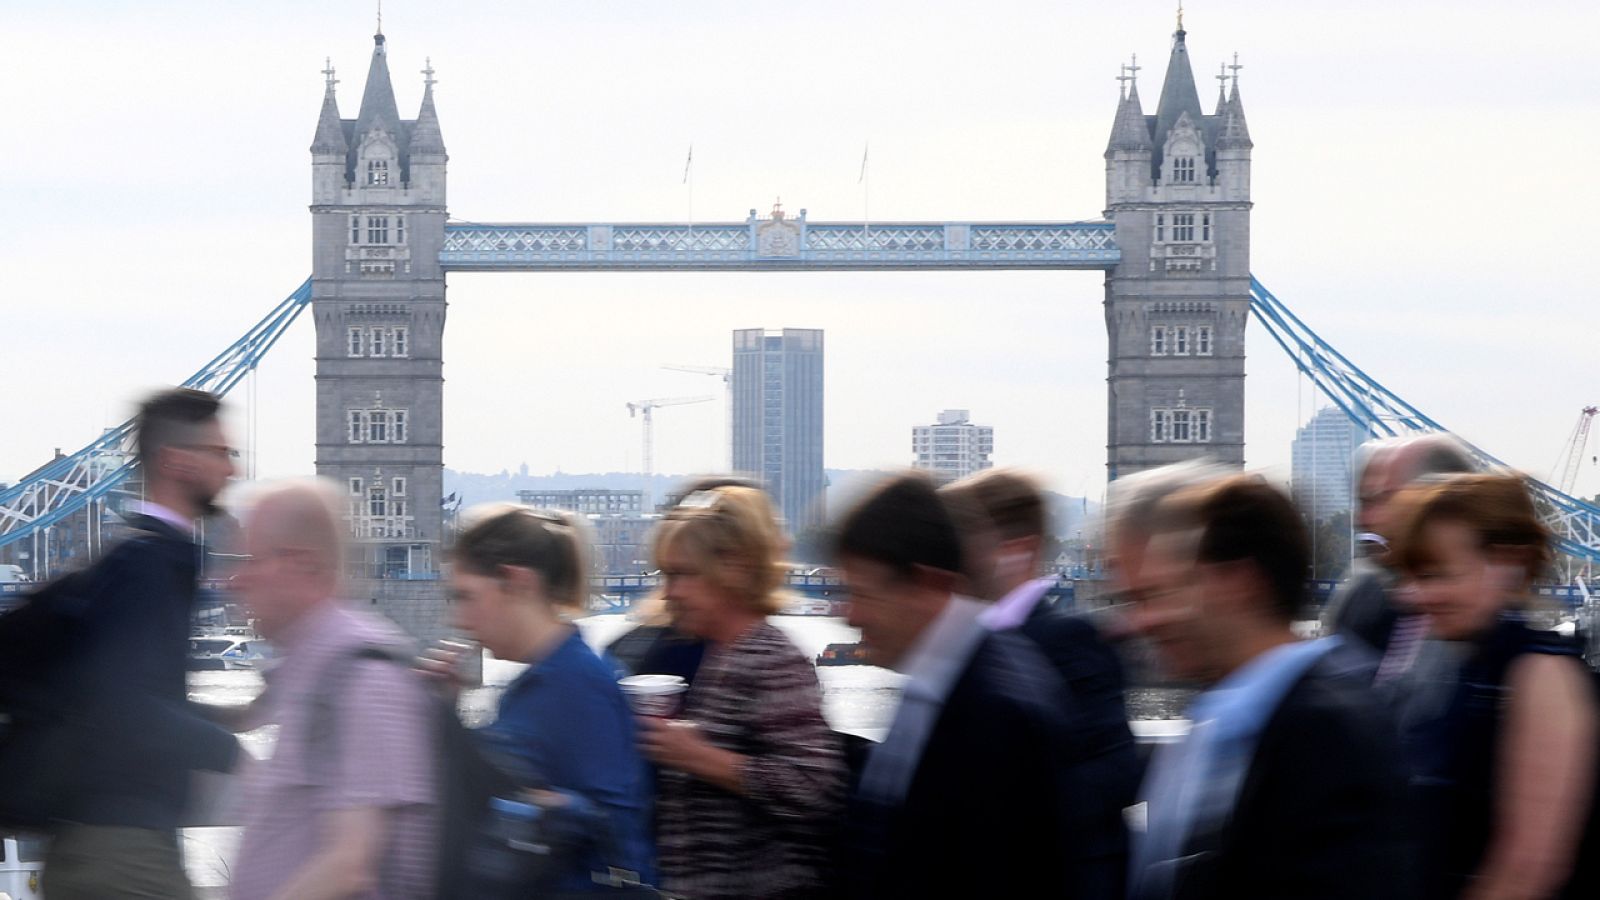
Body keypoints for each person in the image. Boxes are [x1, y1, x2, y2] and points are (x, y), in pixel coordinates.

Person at [1126, 473, 1414, 900]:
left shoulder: (1329, 731)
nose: (1145, 620)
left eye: (1168, 592)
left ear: (1237, 583)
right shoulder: (1221, 723)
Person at [834, 473, 1080, 899]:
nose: (849, 615)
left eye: (864, 594)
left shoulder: (998, 715)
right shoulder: (940, 685)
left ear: (928, 584)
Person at [42, 387, 243, 900]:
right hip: (122, 853)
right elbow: (124, 705)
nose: (232, 470)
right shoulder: (152, 565)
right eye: (220, 453)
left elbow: (134, 690)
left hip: (109, 842)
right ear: (176, 462)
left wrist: (234, 716)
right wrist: (234, 753)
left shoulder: (136, 555)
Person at [226, 480, 439, 900]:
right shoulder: (312, 665)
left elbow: (350, 865)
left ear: (301, 564)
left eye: (252, 559)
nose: (235, 579)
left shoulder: (361, 673)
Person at [1392, 473, 1598, 899]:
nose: (1414, 595)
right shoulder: (1470, 668)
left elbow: (1525, 871)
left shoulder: (1541, 677)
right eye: (1412, 575)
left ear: (1507, 564)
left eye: (1436, 574)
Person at [941, 468, 1138, 897]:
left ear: (1018, 550)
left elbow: (1119, 769)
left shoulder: (1070, 638)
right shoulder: (966, 644)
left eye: (964, 543)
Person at [641, 486, 844, 900]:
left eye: (681, 574)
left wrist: (702, 758)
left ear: (731, 568)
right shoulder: (722, 655)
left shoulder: (770, 658)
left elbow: (813, 785)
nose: (669, 592)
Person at [449, 504, 655, 893]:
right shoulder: (535, 683)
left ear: (515, 582)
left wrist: (548, 809)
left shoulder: (579, 685)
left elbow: (621, 838)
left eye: (466, 596)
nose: (460, 618)